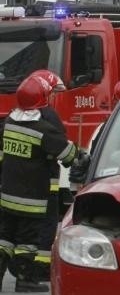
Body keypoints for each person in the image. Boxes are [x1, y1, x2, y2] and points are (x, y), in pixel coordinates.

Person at [0, 75, 80, 292]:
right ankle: (25, 279)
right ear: (43, 98)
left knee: (5, 238)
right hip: (32, 198)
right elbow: (69, 155)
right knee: (28, 239)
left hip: (7, 195)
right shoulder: (43, 129)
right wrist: (82, 155)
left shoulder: (8, 123)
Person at [28, 70, 68, 259]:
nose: (53, 96)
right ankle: (40, 268)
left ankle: (24, 269)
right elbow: (61, 147)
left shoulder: (15, 116)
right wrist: (78, 157)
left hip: (20, 185)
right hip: (46, 184)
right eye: (51, 92)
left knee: (24, 229)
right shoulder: (49, 116)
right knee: (47, 224)